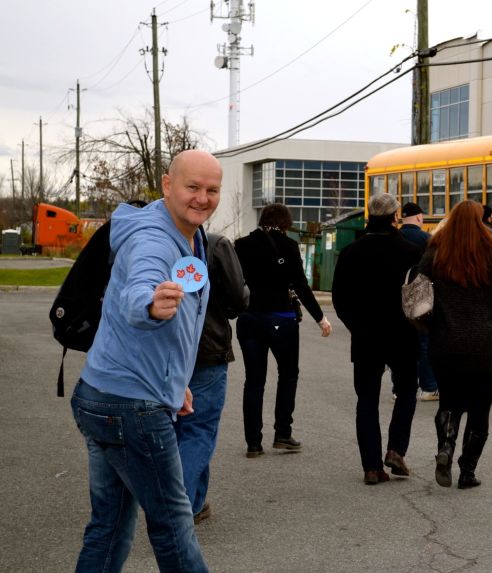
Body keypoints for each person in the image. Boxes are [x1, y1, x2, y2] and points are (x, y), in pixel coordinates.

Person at [70, 149, 222, 572]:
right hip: (130, 407)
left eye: (212, 190)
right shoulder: (152, 238)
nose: (203, 198)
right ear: (168, 184)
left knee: (110, 525)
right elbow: (140, 287)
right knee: (174, 526)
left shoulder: (187, 231)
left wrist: (175, 382)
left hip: (105, 394)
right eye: (193, 187)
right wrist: (150, 305)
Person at [419, 200, 492, 488]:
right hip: (488, 344)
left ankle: (445, 450)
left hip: (447, 341)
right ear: (481, 220)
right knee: (480, 408)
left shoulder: (436, 252)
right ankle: (467, 471)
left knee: (449, 402)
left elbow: (420, 295)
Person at [332, 194, 422, 485]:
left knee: (367, 401)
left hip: (366, 337)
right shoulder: (410, 252)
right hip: (403, 335)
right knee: (407, 391)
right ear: (395, 216)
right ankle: (396, 449)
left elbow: (339, 299)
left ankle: (372, 467)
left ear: (369, 216)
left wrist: (356, 326)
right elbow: (420, 298)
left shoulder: (350, 252)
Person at [235, 204, 332, 458]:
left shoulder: (241, 244)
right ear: (285, 222)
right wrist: (320, 318)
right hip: (281, 318)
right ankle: (282, 434)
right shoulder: (288, 246)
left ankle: (253, 443)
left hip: (249, 318)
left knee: (254, 380)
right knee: (288, 375)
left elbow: (233, 282)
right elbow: (300, 284)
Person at [174, 233, 248, 525]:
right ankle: (180, 508)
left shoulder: (153, 240)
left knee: (178, 430)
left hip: (163, 348)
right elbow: (236, 300)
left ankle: (196, 499)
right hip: (207, 347)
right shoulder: (214, 245)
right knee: (198, 430)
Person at [398, 201, 439, 401]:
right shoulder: (426, 239)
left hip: (396, 297)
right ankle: (429, 387)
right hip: (421, 297)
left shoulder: (394, 236)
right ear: (420, 217)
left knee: (401, 343)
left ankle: (400, 389)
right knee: (424, 343)